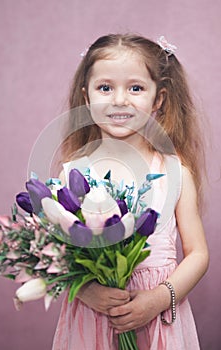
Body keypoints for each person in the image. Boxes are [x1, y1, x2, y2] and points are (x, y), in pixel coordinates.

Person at [52, 33, 209, 350]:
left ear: (159, 99)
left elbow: (198, 254)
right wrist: (87, 291)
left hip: (158, 317)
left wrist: (158, 298)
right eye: (105, 88)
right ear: (87, 98)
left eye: (135, 88)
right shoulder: (74, 173)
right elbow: (57, 255)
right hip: (93, 319)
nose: (119, 100)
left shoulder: (175, 172)